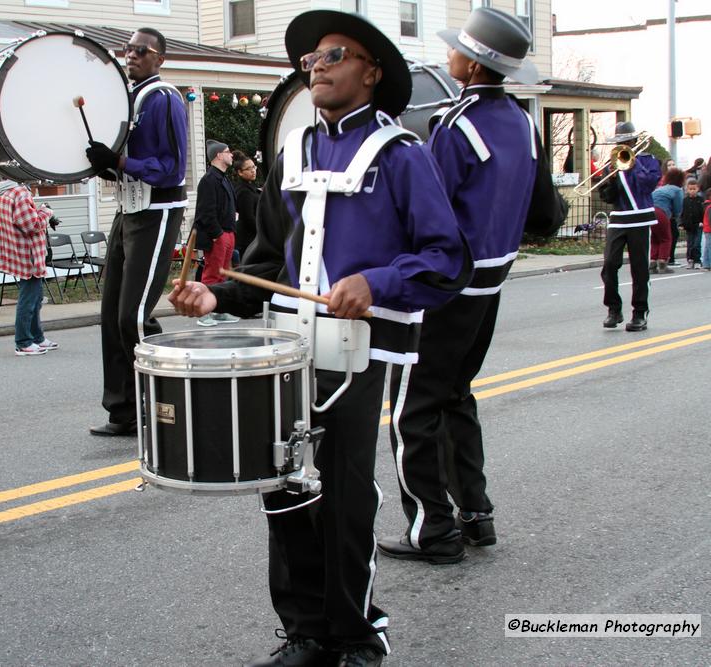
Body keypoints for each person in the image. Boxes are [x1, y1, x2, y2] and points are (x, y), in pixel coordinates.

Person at [170, 11, 471, 665]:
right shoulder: (294, 154)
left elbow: (448, 259)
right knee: (283, 486)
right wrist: (214, 295)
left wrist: (379, 280)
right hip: (287, 347)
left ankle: (356, 633)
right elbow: (266, 264)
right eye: (310, 59)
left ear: (371, 71)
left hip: (360, 350)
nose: (318, 65)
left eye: (335, 54)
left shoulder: (402, 156)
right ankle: (305, 631)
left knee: (342, 491)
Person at [377, 7, 562, 564]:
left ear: (473, 66)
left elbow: (426, 215)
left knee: (413, 410)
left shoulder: (455, 125)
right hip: (491, 285)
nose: (449, 54)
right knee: (456, 394)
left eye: (458, 48)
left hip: (447, 287)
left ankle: (432, 529)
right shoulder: (523, 123)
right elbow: (544, 215)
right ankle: (475, 514)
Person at [84, 27, 188, 437]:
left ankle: (166, 406)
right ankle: (124, 409)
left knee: (135, 315)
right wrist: (104, 163)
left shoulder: (165, 98)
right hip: (128, 209)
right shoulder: (127, 98)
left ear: (159, 58)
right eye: (127, 49)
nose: (131, 55)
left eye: (141, 51)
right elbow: (121, 162)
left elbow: (172, 169)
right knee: (111, 314)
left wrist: (121, 163)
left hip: (158, 210)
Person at [597, 121, 661, 331]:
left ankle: (640, 313)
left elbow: (648, 185)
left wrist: (635, 166)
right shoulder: (611, 164)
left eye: (626, 141)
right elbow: (607, 197)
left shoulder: (648, 161)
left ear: (634, 141)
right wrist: (611, 180)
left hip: (641, 219)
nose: (623, 145)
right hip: (618, 218)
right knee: (609, 265)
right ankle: (614, 309)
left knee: (640, 269)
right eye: (620, 141)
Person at [0, 180, 60, 356]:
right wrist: (46, 211)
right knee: (29, 300)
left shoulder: (4, 193)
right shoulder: (20, 193)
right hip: (28, 254)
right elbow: (32, 225)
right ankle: (23, 341)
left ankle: (37, 337)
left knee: (35, 298)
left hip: (18, 251)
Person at [193, 139, 240, 327]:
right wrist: (217, 234)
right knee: (212, 274)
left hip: (228, 233)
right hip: (217, 236)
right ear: (218, 155)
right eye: (228, 151)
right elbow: (205, 212)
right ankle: (204, 312)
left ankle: (219, 310)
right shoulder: (208, 180)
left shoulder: (224, 178)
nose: (232, 155)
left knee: (223, 275)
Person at [650, 168, 684, 273]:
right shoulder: (677, 190)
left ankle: (653, 262)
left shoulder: (660, 188)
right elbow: (678, 208)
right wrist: (676, 216)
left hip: (649, 212)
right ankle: (662, 262)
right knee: (666, 238)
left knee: (655, 238)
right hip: (661, 213)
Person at [232, 149, 261, 261]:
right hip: (247, 239)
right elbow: (248, 217)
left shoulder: (250, 187)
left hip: (251, 237)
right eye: (249, 169)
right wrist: (262, 231)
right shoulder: (243, 191)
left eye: (254, 167)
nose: (253, 171)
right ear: (240, 172)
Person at [680, 178, 704, 269]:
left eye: (694, 189)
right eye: (690, 189)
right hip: (689, 226)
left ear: (697, 189)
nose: (692, 191)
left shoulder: (700, 200)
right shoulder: (685, 200)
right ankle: (690, 260)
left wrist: (702, 221)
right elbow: (682, 213)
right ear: (687, 189)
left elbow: (703, 212)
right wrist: (681, 223)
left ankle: (697, 260)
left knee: (696, 244)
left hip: (698, 225)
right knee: (690, 244)